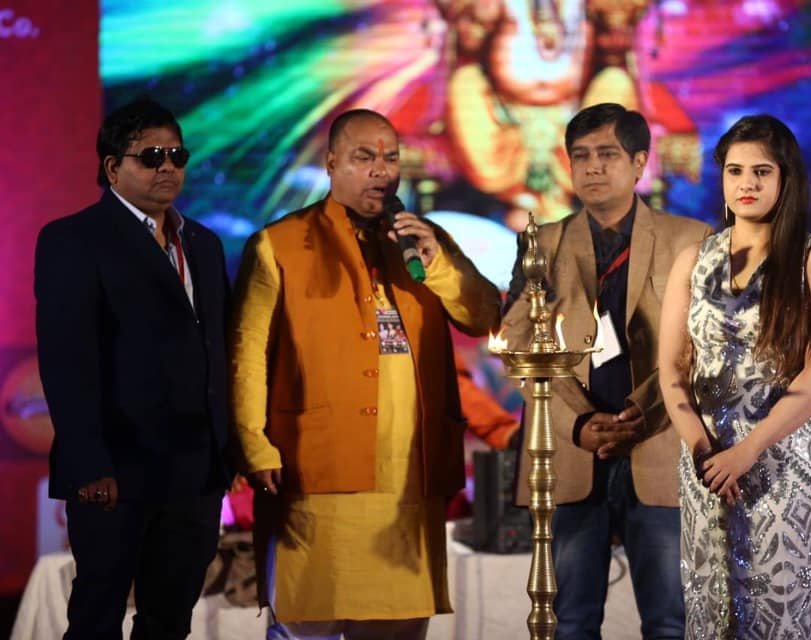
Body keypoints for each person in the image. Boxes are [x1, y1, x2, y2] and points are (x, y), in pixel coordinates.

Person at [230, 108, 501, 639]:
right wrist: (254, 445)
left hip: (410, 476)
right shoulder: (279, 244)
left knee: (398, 625)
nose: (382, 169)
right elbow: (247, 355)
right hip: (318, 469)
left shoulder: (422, 241)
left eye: (391, 158)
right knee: (310, 623)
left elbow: (485, 315)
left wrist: (439, 264)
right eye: (364, 157)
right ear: (332, 163)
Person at [501, 102, 710, 640]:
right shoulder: (540, 243)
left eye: (607, 154)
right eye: (581, 156)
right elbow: (518, 344)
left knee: (670, 623)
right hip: (572, 452)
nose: (592, 167)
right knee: (569, 623)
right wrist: (576, 424)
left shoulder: (693, 239)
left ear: (640, 162)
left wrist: (645, 411)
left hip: (659, 444)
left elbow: (705, 347)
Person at [34, 97, 232, 639]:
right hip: (115, 473)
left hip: (195, 474)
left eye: (177, 155)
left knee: (170, 622)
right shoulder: (74, 239)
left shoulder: (205, 243)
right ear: (112, 166)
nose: (168, 166)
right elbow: (67, 361)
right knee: (96, 620)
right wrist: (89, 465)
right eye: (151, 156)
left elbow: (218, 350)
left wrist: (227, 451)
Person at [658, 114, 811, 638]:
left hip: (783, 467)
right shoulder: (693, 260)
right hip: (706, 466)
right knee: (710, 616)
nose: (747, 183)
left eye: (762, 172)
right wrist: (702, 449)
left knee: (779, 620)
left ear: (785, 179)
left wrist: (748, 450)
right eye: (735, 171)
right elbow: (671, 370)